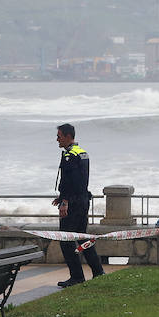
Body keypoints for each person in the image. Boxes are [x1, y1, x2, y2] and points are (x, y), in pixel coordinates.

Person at [52, 123, 105, 287]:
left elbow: (70, 180)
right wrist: (62, 196)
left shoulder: (69, 155)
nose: (57, 139)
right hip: (83, 200)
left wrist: (65, 201)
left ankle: (77, 276)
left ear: (68, 136)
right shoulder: (82, 152)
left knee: (66, 240)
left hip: (73, 202)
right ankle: (98, 272)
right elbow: (80, 181)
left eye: (59, 136)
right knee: (83, 238)